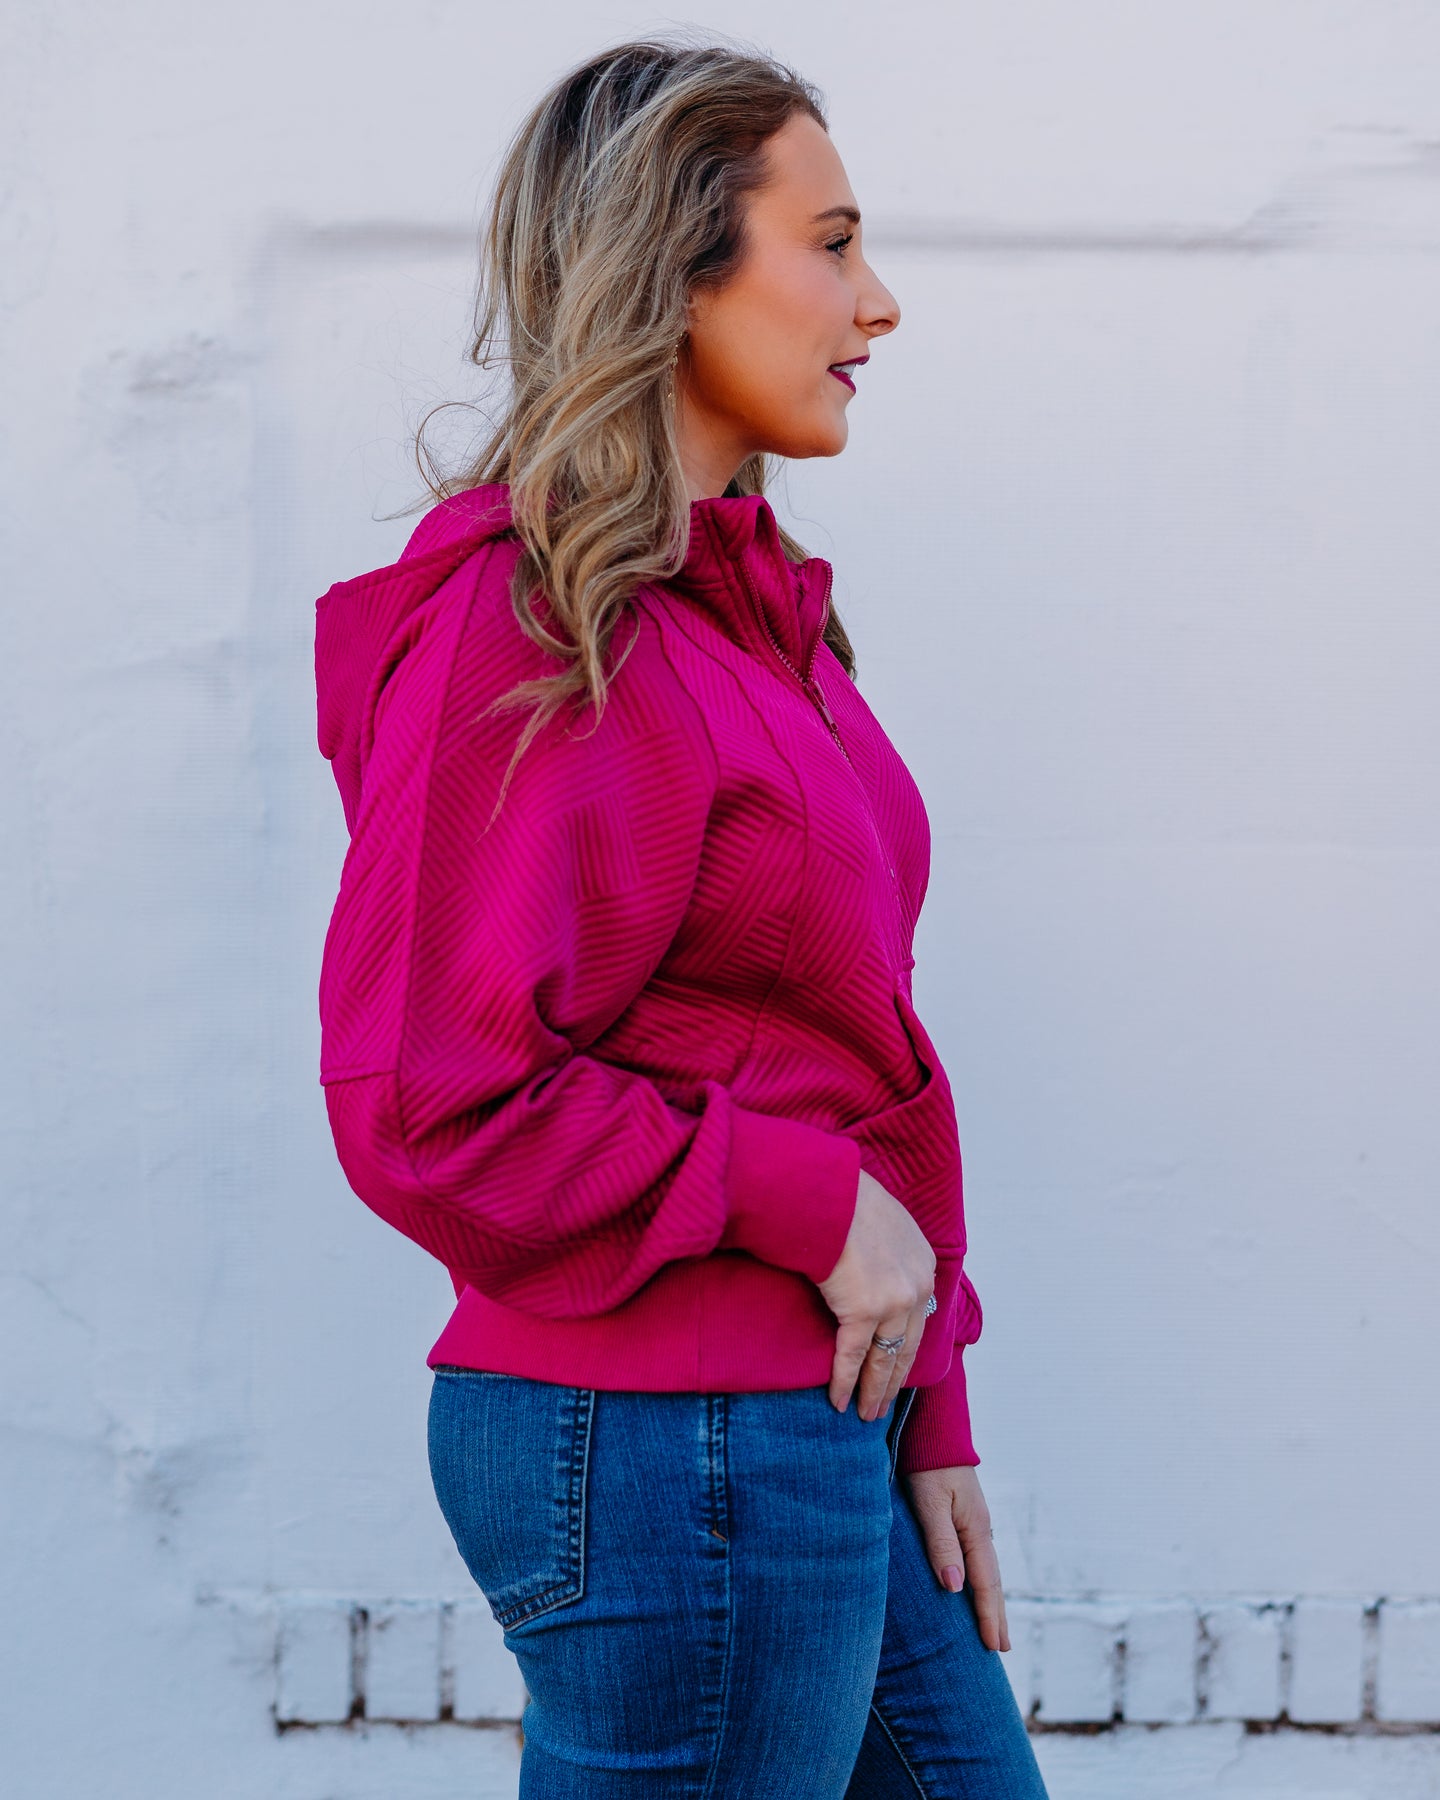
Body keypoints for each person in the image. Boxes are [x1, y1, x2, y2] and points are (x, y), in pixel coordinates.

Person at [313, 36, 1049, 1799]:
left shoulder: (750, 627)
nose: (879, 304)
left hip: (813, 1422)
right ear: (674, 269)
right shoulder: (533, 629)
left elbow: (847, 1042)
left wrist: (929, 1392)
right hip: (665, 1442)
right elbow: (429, 1099)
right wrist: (812, 1205)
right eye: (834, 244)